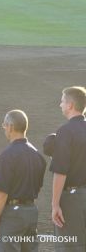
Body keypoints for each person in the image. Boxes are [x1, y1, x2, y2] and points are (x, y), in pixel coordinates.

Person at [0, 110, 46, 251]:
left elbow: (1, 193)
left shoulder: (7, 156)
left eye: (5, 126)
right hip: (31, 212)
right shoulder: (38, 155)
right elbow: (37, 187)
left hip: (12, 216)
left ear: (11, 127)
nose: (5, 129)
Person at [50, 86, 86, 251]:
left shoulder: (65, 131)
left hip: (73, 200)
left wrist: (55, 204)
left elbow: (60, 171)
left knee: (69, 245)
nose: (60, 104)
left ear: (70, 105)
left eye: (63, 101)